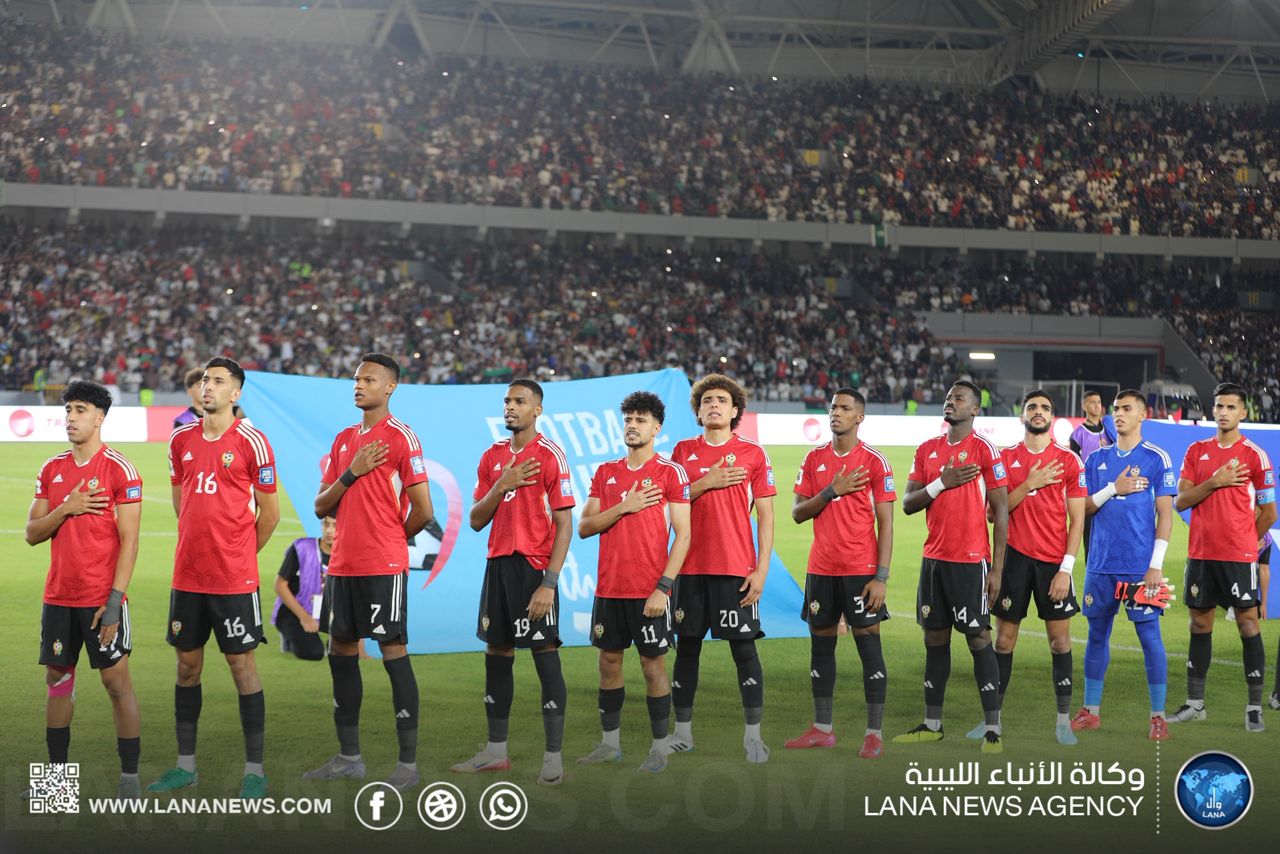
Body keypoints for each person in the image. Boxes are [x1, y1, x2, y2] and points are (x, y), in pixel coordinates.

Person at [150, 357, 280, 798]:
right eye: (206, 380)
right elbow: (181, 502)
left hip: (233, 580)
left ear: (235, 393)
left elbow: (270, 513)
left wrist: (239, 555)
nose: (208, 386)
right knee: (187, 668)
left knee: (242, 667)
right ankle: (185, 766)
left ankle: (255, 770)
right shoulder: (180, 438)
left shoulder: (253, 441)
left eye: (219, 381)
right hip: (188, 576)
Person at [303, 353, 433, 791]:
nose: (359, 385)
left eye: (369, 380)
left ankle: (408, 767)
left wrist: (391, 540)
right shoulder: (343, 440)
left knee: (393, 651)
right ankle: (349, 758)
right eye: (357, 379)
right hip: (342, 565)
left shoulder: (401, 437)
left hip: (382, 566)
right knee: (340, 652)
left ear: (390, 386)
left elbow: (424, 510)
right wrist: (352, 473)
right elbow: (321, 505)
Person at [451, 379, 574, 787]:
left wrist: (549, 583)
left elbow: (565, 524)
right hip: (498, 566)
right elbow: (475, 519)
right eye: (507, 401)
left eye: (519, 401)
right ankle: (495, 752)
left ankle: (553, 758)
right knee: (497, 652)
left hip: (534, 570)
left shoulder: (550, 455)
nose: (510, 407)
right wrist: (501, 484)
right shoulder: (492, 457)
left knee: (544, 653)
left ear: (537, 409)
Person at [26, 381, 143, 797]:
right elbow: (32, 533)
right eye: (68, 410)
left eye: (80, 410)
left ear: (100, 417)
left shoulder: (120, 469)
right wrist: (67, 508)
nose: (71, 418)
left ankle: (130, 779)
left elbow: (130, 541)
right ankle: (56, 783)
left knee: (117, 684)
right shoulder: (51, 469)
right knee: (57, 679)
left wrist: (114, 602)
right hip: (58, 596)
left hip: (100, 600)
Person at [576, 391, 691, 773]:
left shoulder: (670, 473)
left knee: (652, 667)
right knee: (609, 663)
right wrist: (624, 506)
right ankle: (610, 745)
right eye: (628, 419)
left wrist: (663, 588)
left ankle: (659, 749)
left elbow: (684, 535)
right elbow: (585, 526)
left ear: (656, 428)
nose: (632, 425)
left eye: (641, 420)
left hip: (649, 591)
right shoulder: (606, 472)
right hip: (610, 588)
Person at [893, 380, 1009, 753]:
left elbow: (1002, 511)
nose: (950, 402)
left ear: (975, 409)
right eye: (948, 397)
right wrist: (940, 484)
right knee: (934, 638)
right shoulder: (927, 450)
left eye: (959, 398)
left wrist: (997, 569)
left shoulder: (984, 449)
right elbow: (908, 503)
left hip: (970, 561)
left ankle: (993, 729)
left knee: (978, 638)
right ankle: (932, 725)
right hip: (934, 560)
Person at [668, 374, 777, 762]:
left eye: (721, 400)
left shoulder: (753, 454)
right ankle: (682, 735)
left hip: (735, 568)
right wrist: (707, 481)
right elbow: (669, 504)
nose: (713, 405)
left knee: (744, 651)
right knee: (687, 650)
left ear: (735, 411)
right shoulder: (682, 452)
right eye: (707, 401)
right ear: (698, 412)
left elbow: (766, 517)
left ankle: (753, 738)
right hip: (689, 567)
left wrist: (761, 570)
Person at [969, 390, 1085, 746]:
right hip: (1013, 560)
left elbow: (1077, 521)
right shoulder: (1005, 459)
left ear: (1053, 417)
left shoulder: (1068, 461)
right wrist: (1029, 484)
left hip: (1053, 564)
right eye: (1032, 407)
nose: (1038, 412)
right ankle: (992, 720)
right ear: (1022, 416)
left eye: (1045, 408)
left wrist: (1066, 569)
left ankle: (1063, 722)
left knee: (1059, 641)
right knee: (1004, 641)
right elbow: (993, 514)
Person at [786, 388, 895, 760]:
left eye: (845, 408)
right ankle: (822, 729)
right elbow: (797, 513)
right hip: (821, 569)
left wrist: (881, 577)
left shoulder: (875, 462)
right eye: (833, 407)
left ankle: (874, 734)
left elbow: (886, 524)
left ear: (859, 417)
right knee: (821, 648)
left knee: (869, 646)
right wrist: (831, 491)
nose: (836, 412)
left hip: (861, 571)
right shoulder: (814, 458)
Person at [1170, 382, 1275, 731]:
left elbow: (1269, 512)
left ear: (1243, 412)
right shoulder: (1196, 451)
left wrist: (1245, 542)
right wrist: (1214, 481)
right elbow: (1181, 501)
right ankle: (1195, 704)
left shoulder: (1255, 455)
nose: (1224, 412)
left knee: (1248, 625)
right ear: (1212, 410)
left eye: (1231, 407)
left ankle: (1253, 708)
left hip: (1238, 557)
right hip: (1201, 554)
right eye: (1219, 406)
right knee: (1200, 625)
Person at [1073, 389, 1176, 741]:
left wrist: (1156, 565)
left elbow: (1165, 515)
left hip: (1139, 568)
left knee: (1149, 637)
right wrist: (1113, 489)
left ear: (1142, 415)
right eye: (1116, 409)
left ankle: (1158, 717)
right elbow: (1083, 508)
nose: (1118, 414)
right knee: (1096, 636)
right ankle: (1090, 711)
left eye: (1126, 409)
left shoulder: (1156, 458)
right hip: (1100, 565)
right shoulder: (1096, 459)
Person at [271, 515, 336, 662]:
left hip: (328, 611)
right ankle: (288, 639)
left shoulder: (348, 554)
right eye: (326, 524)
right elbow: (280, 585)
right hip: (295, 611)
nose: (329, 530)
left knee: (341, 649)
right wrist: (305, 618)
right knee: (314, 652)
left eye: (335, 525)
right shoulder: (302, 548)